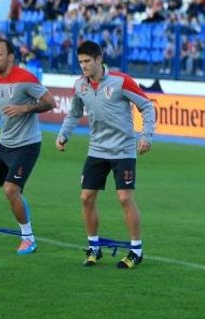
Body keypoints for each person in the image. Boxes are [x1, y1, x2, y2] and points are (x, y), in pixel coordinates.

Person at [56, 41, 156, 268]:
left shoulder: (121, 81)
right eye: (80, 61)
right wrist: (64, 134)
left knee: (124, 197)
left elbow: (147, 106)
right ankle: (94, 248)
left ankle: (136, 250)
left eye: (87, 61)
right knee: (85, 197)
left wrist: (146, 135)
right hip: (97, 149)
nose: (83, 66)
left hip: (123, 150)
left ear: (99, 59)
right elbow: (73, 114)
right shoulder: (80, 85)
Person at [0, 38, 55, 255]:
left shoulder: (26, 79)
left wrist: (25, 108)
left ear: (10, 57)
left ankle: (28, 239)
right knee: (13, 192)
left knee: (10, 190)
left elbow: (50, 102)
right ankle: (17, 194)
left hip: (26, 146)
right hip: (4, 145)